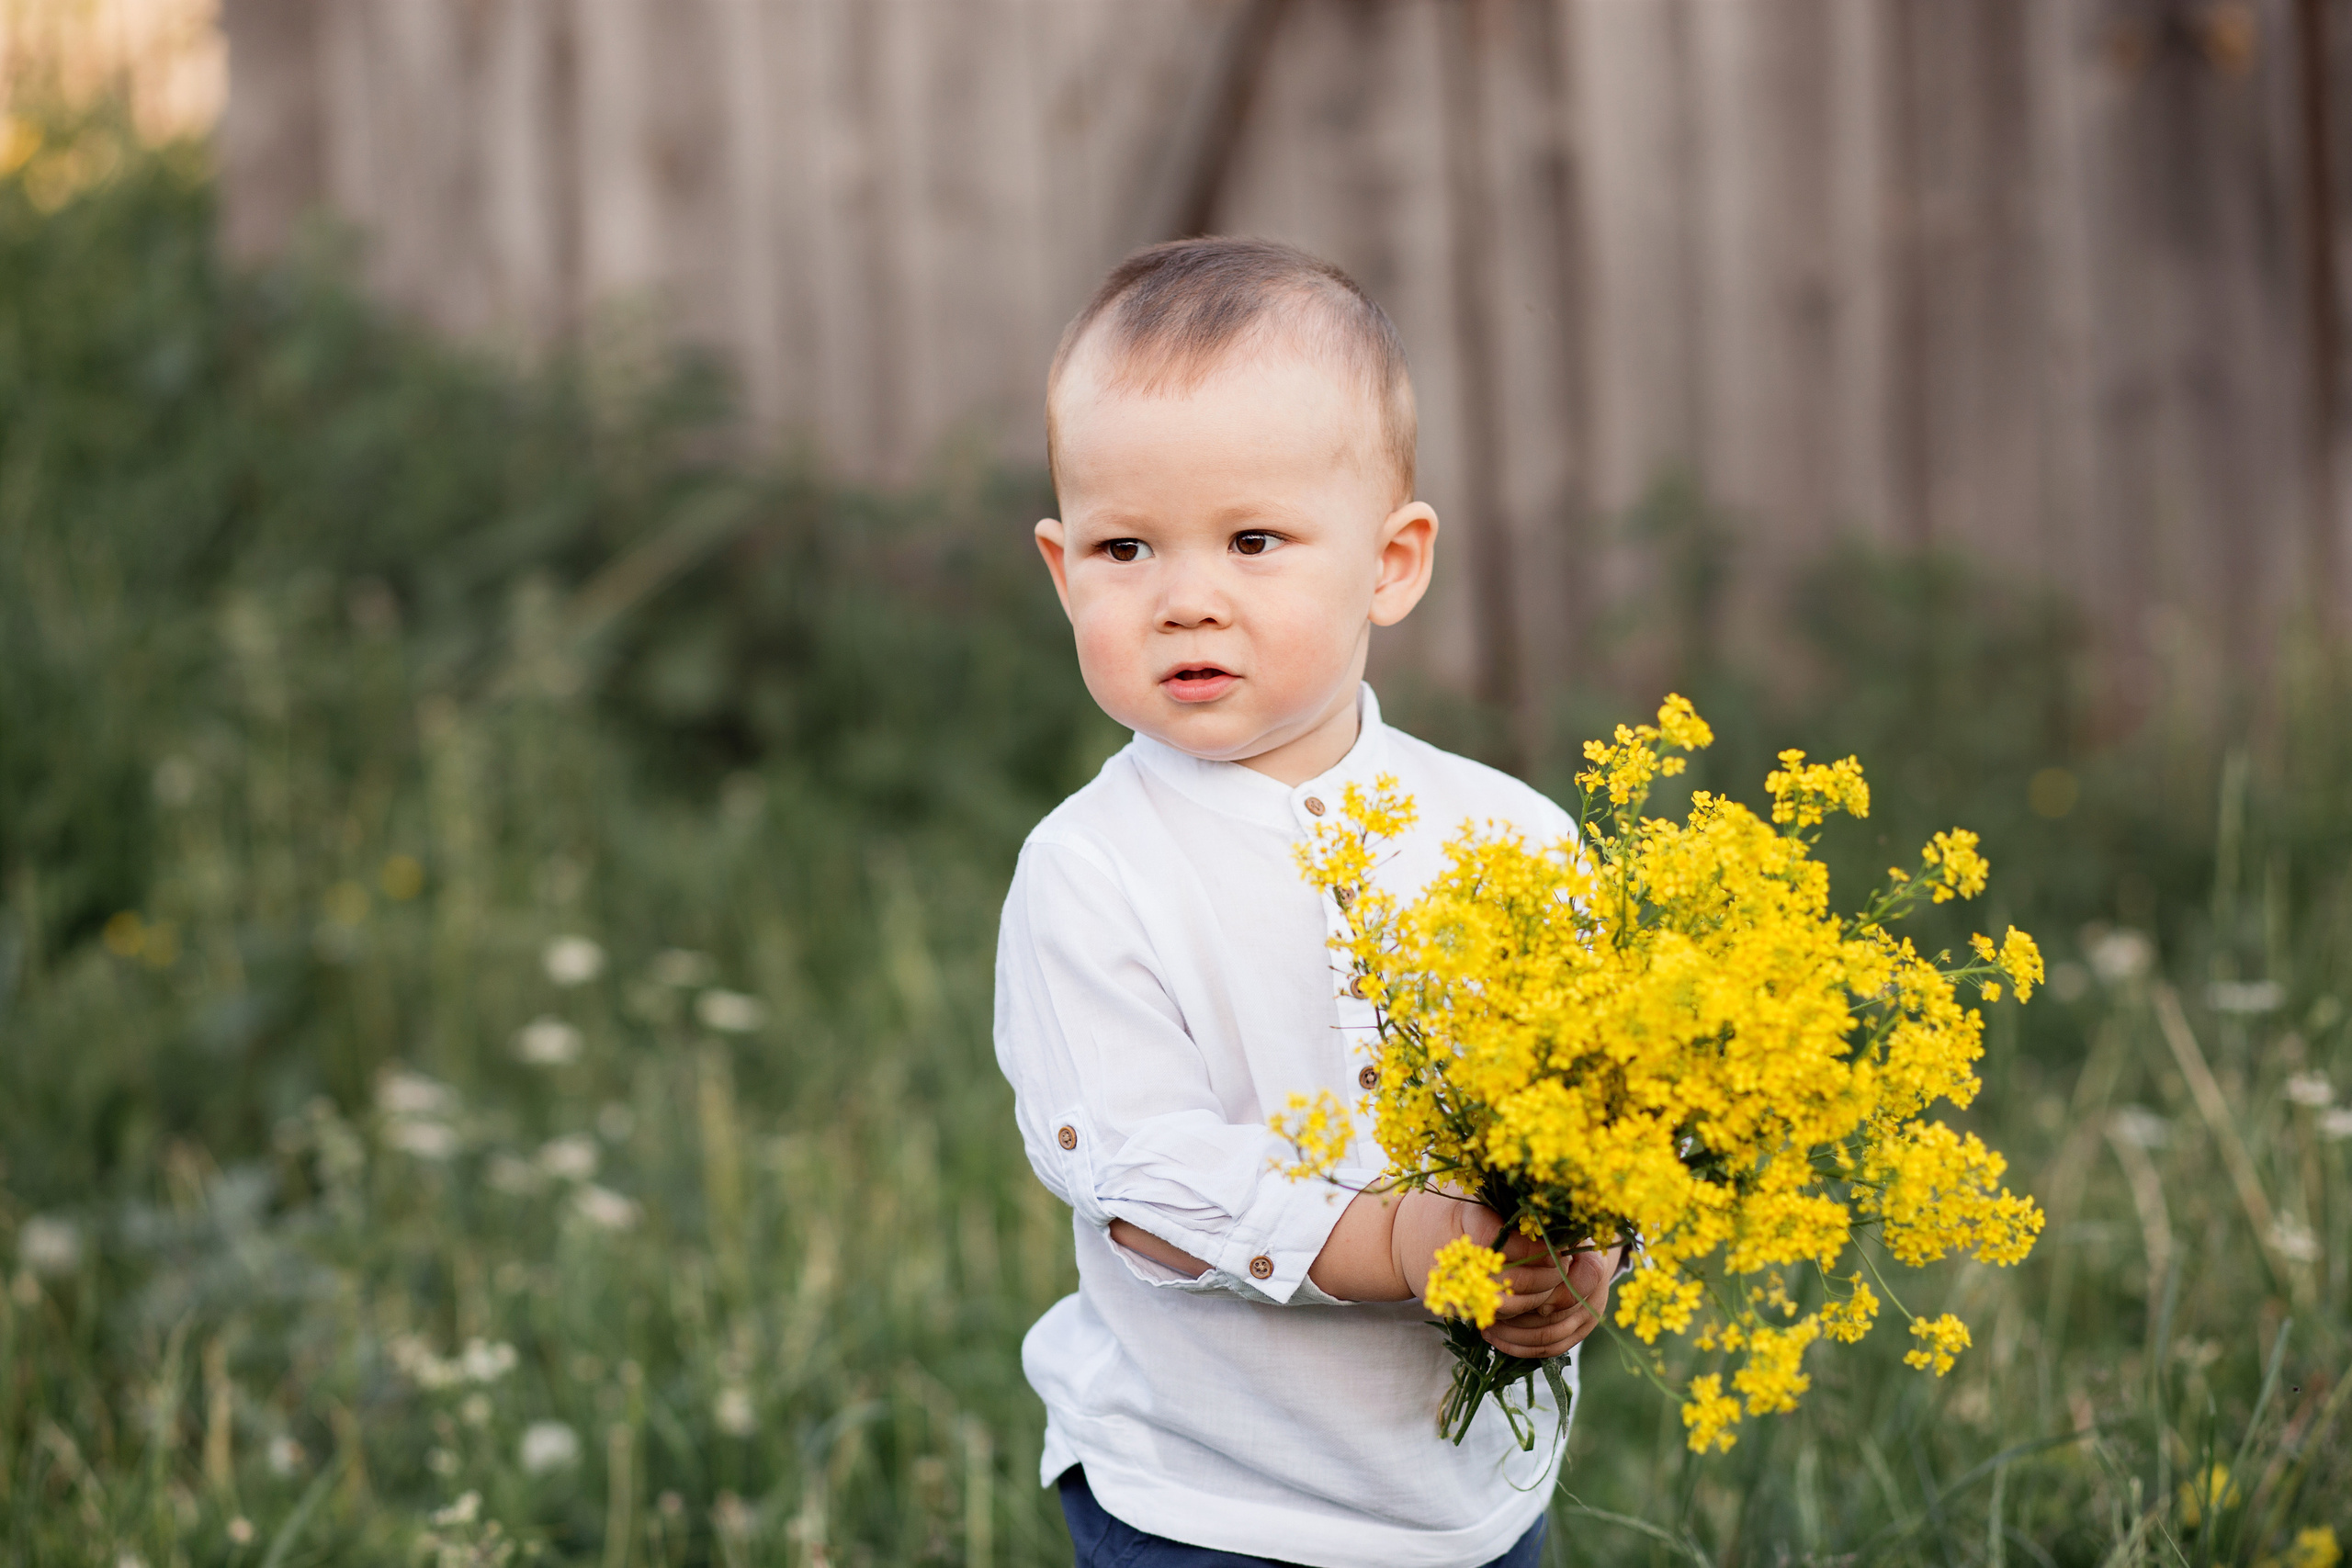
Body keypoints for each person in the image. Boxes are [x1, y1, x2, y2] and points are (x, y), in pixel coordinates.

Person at [994, 237, 1621, 1568]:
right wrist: (1402, 1241)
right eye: (1124, 547)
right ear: (1062, 573)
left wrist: (1582, 1253)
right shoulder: (1091, 868)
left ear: (1392, 563)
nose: (1185, 598)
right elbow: (1139, 1176)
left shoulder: (1512, 837)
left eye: (1255, 540)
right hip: (1209, 1500)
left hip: (1474, 1496)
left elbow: (1603, 1108)